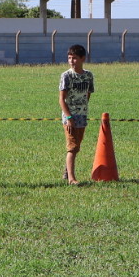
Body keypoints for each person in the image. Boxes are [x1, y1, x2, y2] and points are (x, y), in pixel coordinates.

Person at [58, 45, 96, 184]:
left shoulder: (88, 76)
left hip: (82, 115)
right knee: (72, 147)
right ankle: (72, 179)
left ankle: (67, 172)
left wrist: (83, 109)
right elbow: (62, 99)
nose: (71, 61)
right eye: (69, 58)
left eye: (74, 58)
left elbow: (88, 94)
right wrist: (68, 117)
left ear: (82, 58)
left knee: (77, 146)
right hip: (70, 117)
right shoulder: (66, 76)